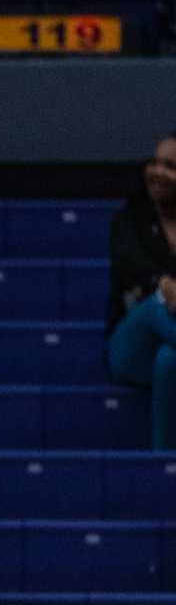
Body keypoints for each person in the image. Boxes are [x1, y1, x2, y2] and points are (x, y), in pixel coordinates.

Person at [107, 130, 176, 449]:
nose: (158, 172)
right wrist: (161, 285)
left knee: (168, 361)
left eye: (170, 166)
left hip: (167, 347)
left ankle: (164, 461)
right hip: (132, 343)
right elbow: (129, 268)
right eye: (155, 162)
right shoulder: (128, 222)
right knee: (156, 304)